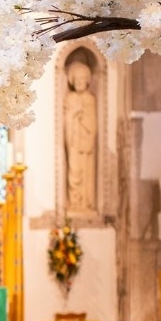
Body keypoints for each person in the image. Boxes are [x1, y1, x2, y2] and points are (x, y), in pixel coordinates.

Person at [64, 60, 97, 211]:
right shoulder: (69, 98)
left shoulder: (91, 99)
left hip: (86, 142)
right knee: (74, 170)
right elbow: (67, 120)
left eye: (82, 79)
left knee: (86, 172)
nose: (79, 82)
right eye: (76, 80)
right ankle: (75, 201)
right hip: (73, 142)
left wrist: (83, 117)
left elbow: (93, 123)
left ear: (87, 81)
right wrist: (73, 114)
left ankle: (86, 203)